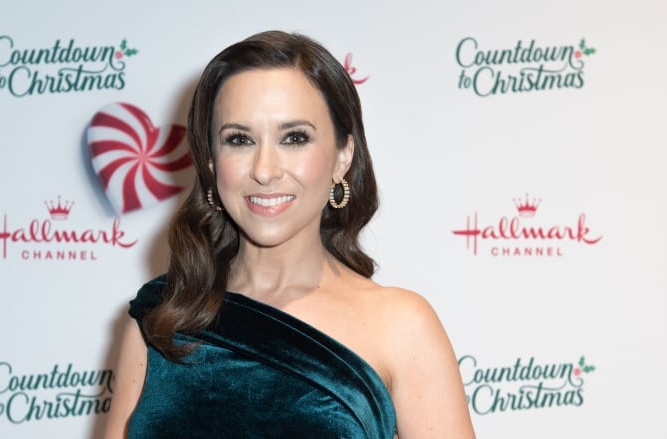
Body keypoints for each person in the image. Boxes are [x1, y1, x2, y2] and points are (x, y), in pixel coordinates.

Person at [105, 30, 475, 438]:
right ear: (211, 161)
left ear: (342, 156)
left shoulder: (401, 325)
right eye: (239, 139)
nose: (265, 170)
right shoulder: (161, 317)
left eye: (294, 138)